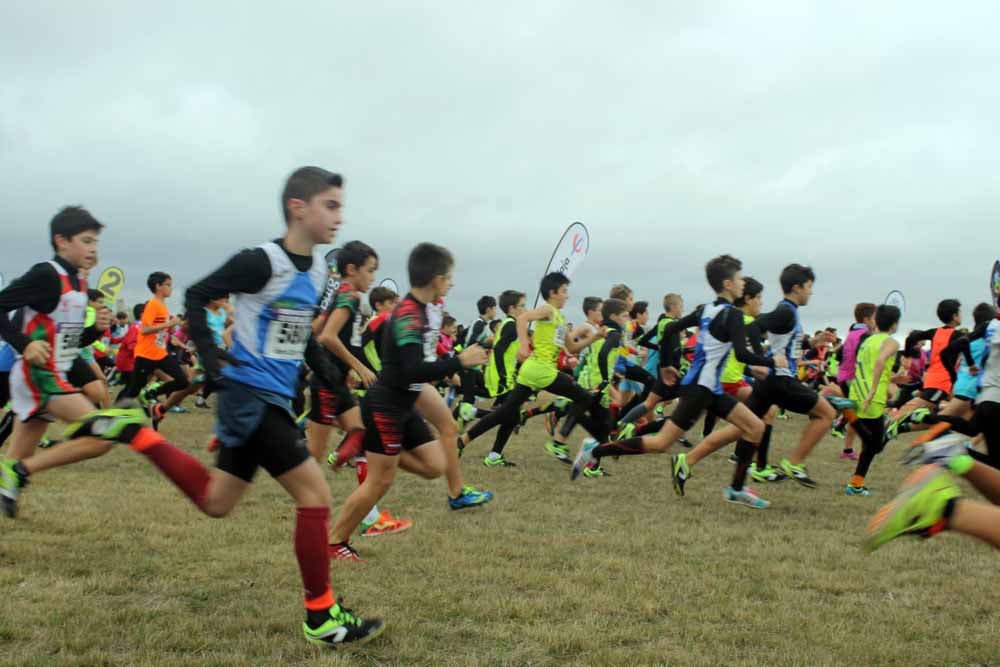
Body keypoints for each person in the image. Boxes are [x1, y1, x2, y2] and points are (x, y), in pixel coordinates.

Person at [75, 167, 383, 646]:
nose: (339, 216)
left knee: (217, 501)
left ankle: (134, 431)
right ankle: (321, 616)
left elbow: (300, 339)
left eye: (340, 205)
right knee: (315, 495)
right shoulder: (262, 261)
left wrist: (337, 389)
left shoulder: (319, 272)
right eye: (331, 205)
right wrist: (213, 359)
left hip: (275, 397)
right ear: (298, 208)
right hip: (247, 393)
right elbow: (198, 295)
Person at [326, 243, 491, 561]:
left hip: (407, 400)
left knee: (434, 466)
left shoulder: (424, 309)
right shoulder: (407, 315)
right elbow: (412, 369)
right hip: (387, 404)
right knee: (380, 481)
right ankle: (335, 542)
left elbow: (420, 365)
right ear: (435, 278)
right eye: (449, 276)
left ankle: (368, 447)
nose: (452, 282)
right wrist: (459, 361)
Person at [573, 255, 776, 509]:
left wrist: (666, 364)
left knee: (755, 427)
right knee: (661, 443)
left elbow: (668, 330)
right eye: (738, 279)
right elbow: (743, 354)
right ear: (727, 284)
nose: (742, 284)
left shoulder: (705, 309)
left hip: (709, 388)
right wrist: (771, 362)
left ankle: (736, 489)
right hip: (701, 389)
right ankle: (595, 449)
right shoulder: (732, 315)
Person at [0, 206, 126, 518]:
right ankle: (23, 470)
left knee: (6, 471)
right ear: (61, 241)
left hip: (55, 372)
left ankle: (13, 472)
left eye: (96, 241)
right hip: (37, 376)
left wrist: (92, 332)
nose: (93, 248)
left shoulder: (80, 283)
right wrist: (25, 344)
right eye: (86, 240)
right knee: (105, 434)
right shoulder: (46, 274)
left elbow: (68, 344)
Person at [312, 240, 410, 541]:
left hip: (336, 381)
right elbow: (327, 336)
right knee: (307, 462)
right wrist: (359, 366)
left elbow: (317, 330)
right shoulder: (350, 295)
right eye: (369, 271)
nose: (372, 278)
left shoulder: (343, 294)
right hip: (328, 383)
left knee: (362, 436)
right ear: (351, 270)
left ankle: (370, 518)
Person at [459, 272, 608, 464]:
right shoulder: (547, 309)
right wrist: (523, 346)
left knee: (506, 413)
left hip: (533, 371)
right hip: (541, 370)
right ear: (553, 292)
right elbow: (522, 319)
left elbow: (571, 347)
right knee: (585, 398)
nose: (567, 295)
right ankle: (560, 442)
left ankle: (462, 442)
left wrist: (595, 338)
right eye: (564, 291)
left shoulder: (560, 319)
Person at [118, 271, 191, 428]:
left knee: (182, 381)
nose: (171, 288)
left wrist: (171, 336)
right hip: (145, 355)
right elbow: (144, 330)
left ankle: (151, 393)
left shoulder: (163, 307)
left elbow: (159, 331)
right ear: (158, 286)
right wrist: (169, 324)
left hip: (160, 353)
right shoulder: (152, 304)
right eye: (168, 285)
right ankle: (115, 416)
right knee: (132, 390)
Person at [844, 304, 902, 495]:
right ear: (894, 324)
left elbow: (867, 366)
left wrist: (893, 379)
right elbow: (879, 362)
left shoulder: (867, 340)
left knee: (869, 446)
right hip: (872, 396)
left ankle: (856, 484)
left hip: (856, 392)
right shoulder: (891, 342)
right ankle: (850, 417)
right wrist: (873, 391)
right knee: (876, 445)